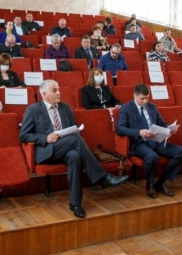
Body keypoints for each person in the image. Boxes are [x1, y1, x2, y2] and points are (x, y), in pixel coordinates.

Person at [19, 80, 128, 218]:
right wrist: (45, 138)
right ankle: (102, 177)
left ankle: (75, 204)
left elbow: (74, 129)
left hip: (66, 147)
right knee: (75, 140)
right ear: (44, 94)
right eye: (54, 90)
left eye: (58, 89)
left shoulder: (65, 107)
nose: (59, 93)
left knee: (75, 156)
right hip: (47, 151)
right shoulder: (33, 110)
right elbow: (23, 136)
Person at [116, 84, 182, 199]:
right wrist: (139, 132)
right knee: (152, 156)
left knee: (181, 152)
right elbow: (120, 129)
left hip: (155, 140)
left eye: (147, 98)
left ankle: (161, 182)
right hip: (139, 143)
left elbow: (162, 123)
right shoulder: (126, 108)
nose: (145, 101)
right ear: (134, 96)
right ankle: (150, 185)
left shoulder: (152, 107)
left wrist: (169, 128)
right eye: (142, 98)